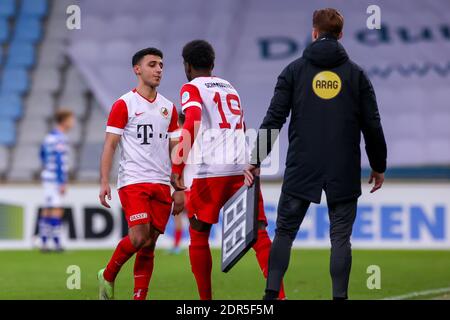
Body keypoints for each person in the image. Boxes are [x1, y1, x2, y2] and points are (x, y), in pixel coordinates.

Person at [244, 8, 387, 300]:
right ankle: (339, 297)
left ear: (314, 33)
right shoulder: (356, 75)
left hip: (302, 164)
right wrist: (378, 165)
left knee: (284, 232)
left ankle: (270, 296)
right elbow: (372, 124)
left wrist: (256, 159)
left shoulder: (294, 71)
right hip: (343, 166)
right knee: (340, 238)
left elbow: (274, 119)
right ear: (341, 35)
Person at [171, 40, 285, 300]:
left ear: (187, 66)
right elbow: (242, 128)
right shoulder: (229, 87)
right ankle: (280, 296)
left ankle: (206, 302)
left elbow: (193, 121)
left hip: (210, 171)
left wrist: (178, 165)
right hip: (241, 167)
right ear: (212, 64)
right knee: (259, 233)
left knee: (199, 234)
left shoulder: (190, 87)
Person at [97, 47, 184, 300]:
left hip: (161, 184)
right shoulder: (124, 104)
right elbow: (110, 145)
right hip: (133, 181)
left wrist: (180, 188)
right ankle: (108, 275)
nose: (158, 69)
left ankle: (139, 296)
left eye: (161, 65)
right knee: (138, 237)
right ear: (137, 69)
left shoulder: (169, 107)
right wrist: (104, 181)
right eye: (152, 64)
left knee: (150, 244)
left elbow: (177, 150)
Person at [39, 109, 75, 252]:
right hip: (55, 178)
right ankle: (56, 243)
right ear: (64, 120)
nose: (73, 123)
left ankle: (44, 243)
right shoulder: (60, 138)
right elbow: (60, 160)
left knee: (48, 208)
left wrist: (47, 167)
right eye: (71, 119)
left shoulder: (49, 137)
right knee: (56, 209)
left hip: (48, 176)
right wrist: (61, 181)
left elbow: (41, 153)